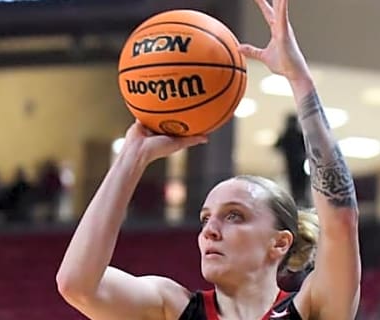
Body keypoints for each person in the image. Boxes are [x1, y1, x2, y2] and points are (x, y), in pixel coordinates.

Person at [55, 0, 361, 319]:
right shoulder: (172, 306)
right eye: (205, 218)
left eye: (234, 216)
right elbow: (77, 285)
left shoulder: (313, 308)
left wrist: (298, 79)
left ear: (280, 243)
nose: (209, 231)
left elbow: (340, 220)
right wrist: (132, 158)